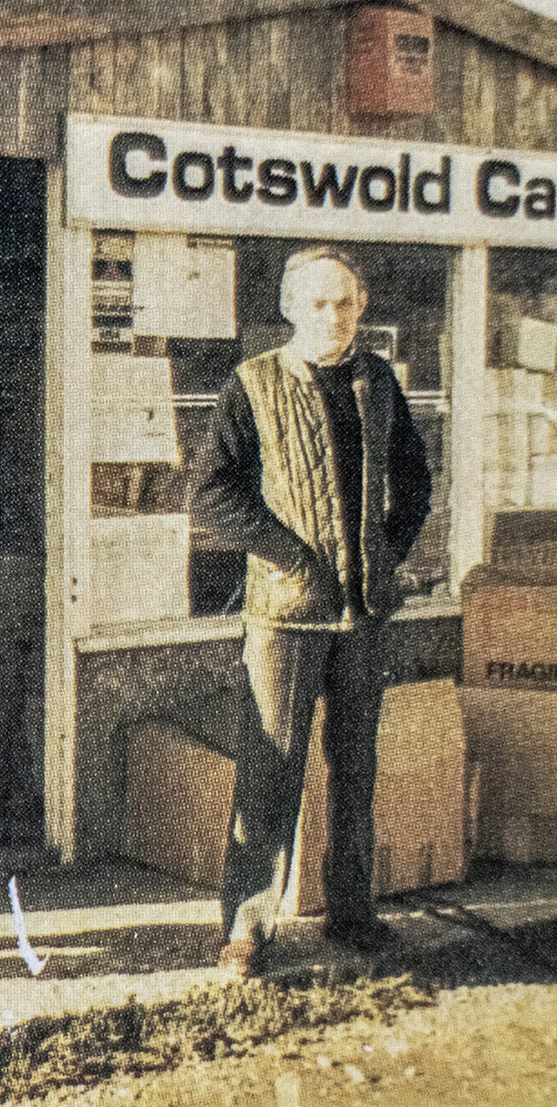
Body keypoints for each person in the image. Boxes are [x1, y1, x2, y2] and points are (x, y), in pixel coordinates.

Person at [191, 245, 431, 978]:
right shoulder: (252, 383)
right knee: (270, 772)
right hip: (285, 618)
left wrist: (386, 552)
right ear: (290, 308)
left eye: (345, 303)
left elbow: (416, 482)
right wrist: (291, 556)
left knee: (356, 770)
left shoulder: (378, 381)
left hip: (364, 617)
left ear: (361, 308)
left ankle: (352, 914)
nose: (333, 316)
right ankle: (247, 928)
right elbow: (212, 495)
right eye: (318, 303)